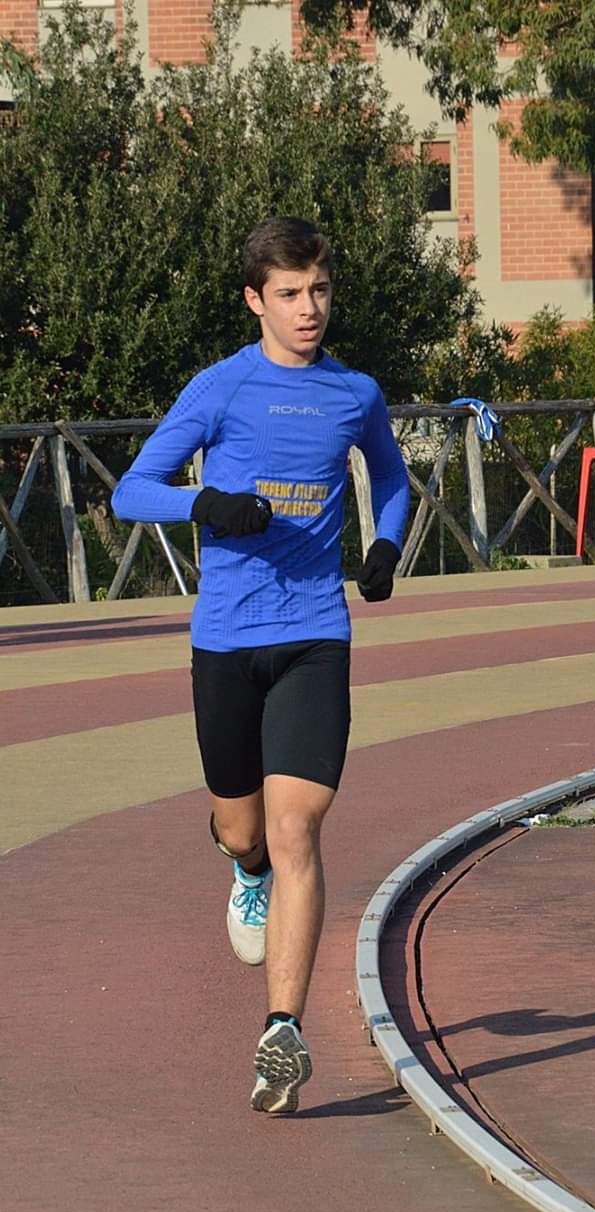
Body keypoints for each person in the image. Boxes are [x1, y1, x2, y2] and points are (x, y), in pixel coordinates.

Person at [112, 216, 409, 1114]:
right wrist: (207, 504)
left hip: (316, 633)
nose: (308, 307)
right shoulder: (221, 387)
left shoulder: (354, 392)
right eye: (289, 293)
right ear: (255, 300)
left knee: (297, 832)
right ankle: (244, 877)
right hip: (226, 640)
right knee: (245, 833)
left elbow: (390, 477)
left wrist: (386, 546)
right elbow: (132, 491)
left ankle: (283, 1030)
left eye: (319, 289)